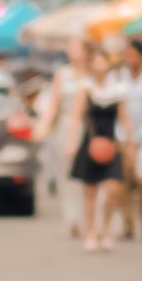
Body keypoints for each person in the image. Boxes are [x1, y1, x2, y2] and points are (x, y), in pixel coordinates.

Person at [69, 47, 133, 252]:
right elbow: (76, 117)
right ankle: (90, 232)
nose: (99, 65)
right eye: (95, 61)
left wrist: (132, 141)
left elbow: (125, 118)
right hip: (90, 143)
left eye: (102, 61)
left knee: (113, 189)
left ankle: (104, 228)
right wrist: (70, 142)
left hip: (111, 143)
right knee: (90, 192)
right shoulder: (86, 88)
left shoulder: (117, 89)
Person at [38, 38, 90, 238]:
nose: (74, 53)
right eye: (71, 49)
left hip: (89, 126)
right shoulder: (63, 73)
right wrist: (44, 126)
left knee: (88, 175)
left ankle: (88, 219)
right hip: (66, 125)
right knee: (67, 174)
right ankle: (72, 218)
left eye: (77, 49)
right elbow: (54, 104)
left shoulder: (93, 73)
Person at [111, 39, 142, 242]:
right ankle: (127, 225)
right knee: (123, 184)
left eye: (132, 54)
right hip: (122, 136)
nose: (128, 58)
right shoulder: (119, 77)